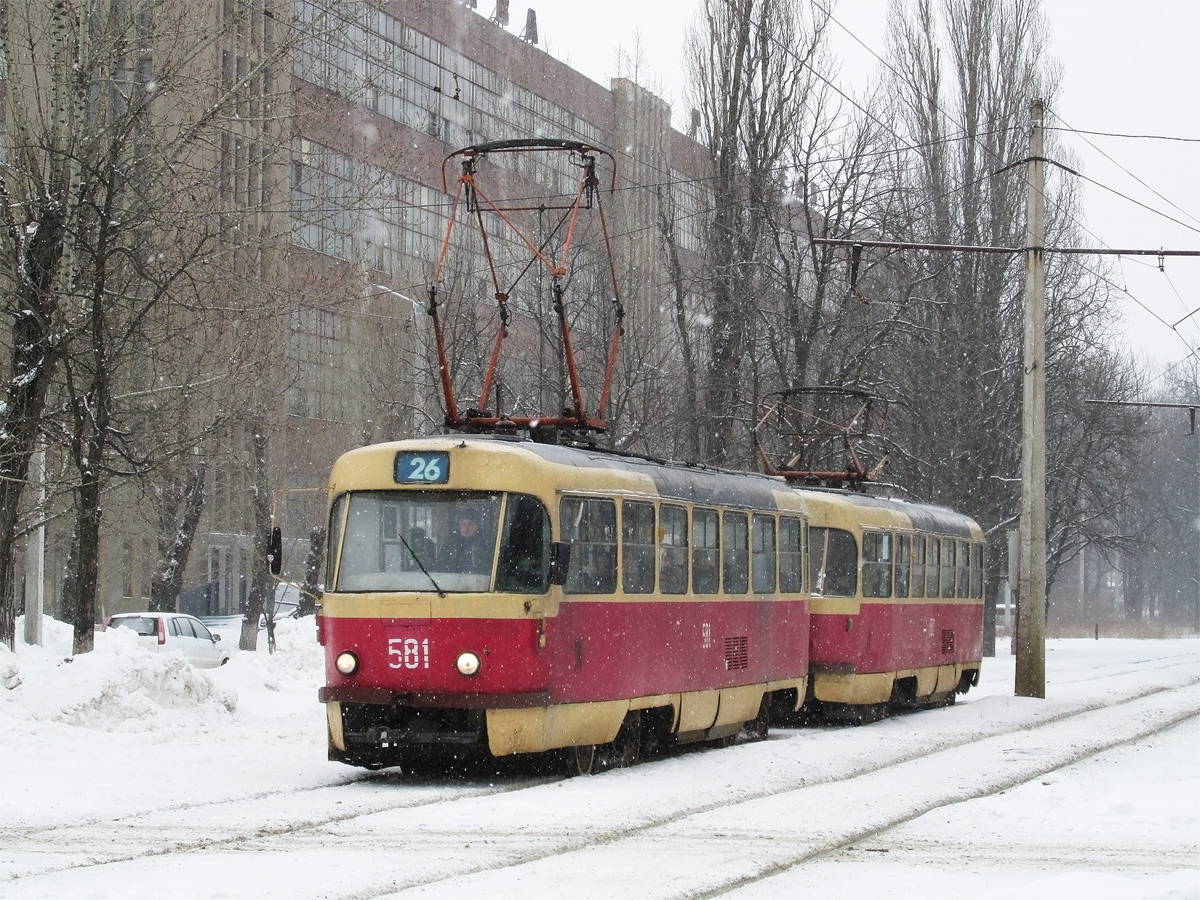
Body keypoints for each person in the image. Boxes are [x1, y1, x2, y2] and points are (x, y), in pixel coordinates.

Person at [440, 504, 491, 574]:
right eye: (463, 524)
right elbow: (441, 567)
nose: (466, 528)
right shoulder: (449, 545)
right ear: (459, 526)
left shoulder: (486, 546)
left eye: (470, 524)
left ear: (477, 527)